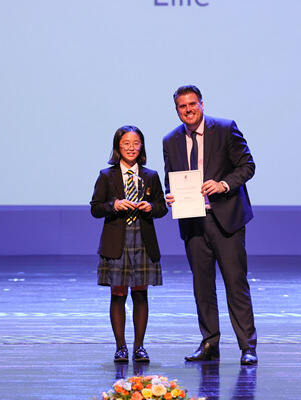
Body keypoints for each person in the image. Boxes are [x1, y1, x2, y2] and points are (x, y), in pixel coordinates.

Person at [162, 85, 258, 365]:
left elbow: (247, 166)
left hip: (226, 219)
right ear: (177, 110)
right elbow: (171, 178)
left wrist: (223, 184)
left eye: (192, 104)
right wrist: (170, 195)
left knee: (235, 283)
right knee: (202, 287)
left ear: (202, 105)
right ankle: (209, 343)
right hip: (193, 221)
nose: (188, 110)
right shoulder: (170, 140)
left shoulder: (226, 129)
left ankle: (247, 346)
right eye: (182, 106)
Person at [91, 125, 167, 363]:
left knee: (141, 293)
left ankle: (139, 347)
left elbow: (162, 208)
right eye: (126, 143)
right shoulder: (107, 175)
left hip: (143, 240)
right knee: (118, 293)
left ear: (141, 146)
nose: (131, 148)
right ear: (118, 146)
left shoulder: (151, 175)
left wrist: (151, 207)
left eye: (135, 143)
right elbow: (95, 208)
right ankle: (121, 347)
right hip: (117, 241)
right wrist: (113, 205)